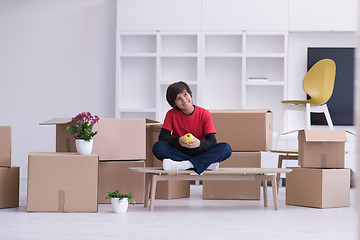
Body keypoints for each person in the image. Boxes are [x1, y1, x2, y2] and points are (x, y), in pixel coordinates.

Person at [152, 81, 232, 175]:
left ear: (191, 94)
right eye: (178, 98)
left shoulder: (204, 114)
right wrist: (179, 140)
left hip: (200, 151)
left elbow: (212, 141)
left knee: (226, 148)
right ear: (173, 103)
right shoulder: (171, 114)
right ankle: (204, 164)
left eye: (185, 94)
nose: (184, 100)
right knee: (158, 147)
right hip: (180, 150)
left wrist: (199, 143)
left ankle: (184, 165)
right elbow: (163, 137)